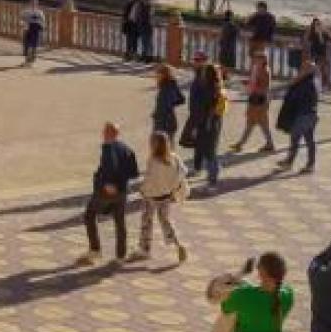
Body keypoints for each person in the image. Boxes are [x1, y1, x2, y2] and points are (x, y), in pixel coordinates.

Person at [77, 123, 138, 265]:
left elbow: (110, 165)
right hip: (122, 191)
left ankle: (95, 250)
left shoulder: (108, 148)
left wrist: (108, 183)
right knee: (120, 221)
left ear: (108, 133)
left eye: (104, 131)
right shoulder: (127, 149)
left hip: (106, 191)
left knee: (89, 215)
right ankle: (120, 256)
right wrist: (122, 181)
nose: (102, 134)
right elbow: (134, 172)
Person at [134, 130, 188, 263]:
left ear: (155, 144)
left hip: (151, 197)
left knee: (147, 222)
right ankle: (177, 244)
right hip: (166, 196)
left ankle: (145, 249)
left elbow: (149, 181)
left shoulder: (153, 161)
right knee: (165, 221)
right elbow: (183, 172)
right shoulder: (174, 157)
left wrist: (142, 190)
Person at [185, 58, 227, 190]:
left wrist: (198, 124)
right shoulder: (217, 86)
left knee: (210, 153)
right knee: (210, 151)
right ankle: (213, 173)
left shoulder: (209, 89)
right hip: (214, 122)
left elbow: (204, 108)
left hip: (208, 123)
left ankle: (212, 181)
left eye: (203, 71)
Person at [276, 62, 321, 173]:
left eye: (304, 68)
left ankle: (291, 163)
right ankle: (309, 164)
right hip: (310, 114)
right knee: (309, 140)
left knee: (296, 139)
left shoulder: (307, 83)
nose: (301, 70)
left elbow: (296, 97)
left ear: (308, 71)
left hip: (304, 115)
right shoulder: (311, 81)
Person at [231, 52, 277, 153]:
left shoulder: (265, 71)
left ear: (263, 60)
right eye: (255, 58)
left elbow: (264, 88)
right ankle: (242, 144)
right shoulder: (257, 69)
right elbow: (255, 83)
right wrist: (248, 83)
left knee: (256, 123)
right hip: (255, 99)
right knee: (255, 123)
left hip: (259, 100)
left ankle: (241, 144)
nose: (255, 59)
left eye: (258, 58)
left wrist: (251, 86)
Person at [151, 63, 185, 136]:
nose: (155, 76)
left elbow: (162, 108)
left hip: (163, 123)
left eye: (157, 73)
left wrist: (156, 117)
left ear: (163, 75)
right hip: (170, 121)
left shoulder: (165, 88)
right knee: (168, 145)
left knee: (161, 146)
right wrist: (171, 104)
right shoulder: (171, 84)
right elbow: (182, 99)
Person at [22, 0, 45, 66]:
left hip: (36, 30)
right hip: (28, 29)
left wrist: (42, 28)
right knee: (27, 45)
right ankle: (27, 60)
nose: (33, 5)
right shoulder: (26, 12)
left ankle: (32, 60)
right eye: (32, 3)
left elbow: (43, 21)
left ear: (37, 4)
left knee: (34, 46)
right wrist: (23, 23)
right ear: (29, 3)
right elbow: (21, 19)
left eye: (35, 3)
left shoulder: (40, 12)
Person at [218, 10, 241, 76]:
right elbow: (237, 33)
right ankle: (224, 75)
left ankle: (223, 75)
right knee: (227, 62)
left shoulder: (224, 24)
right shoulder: (232, 25)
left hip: (225, 46)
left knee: (223, 61)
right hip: (229, 46)